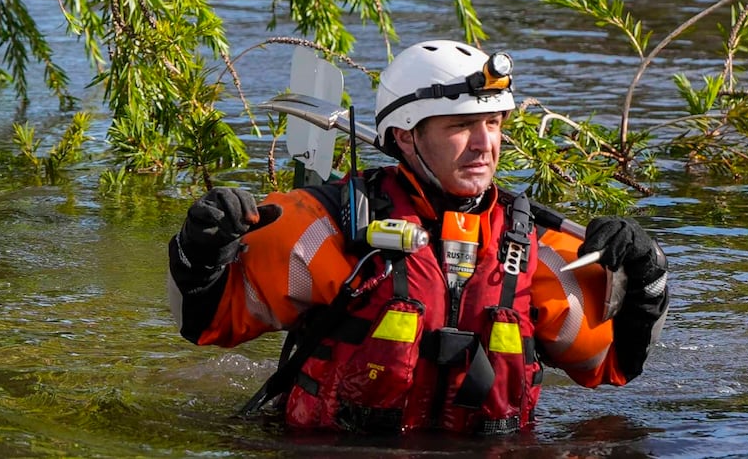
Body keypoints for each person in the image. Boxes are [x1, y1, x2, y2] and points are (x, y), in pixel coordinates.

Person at [167, 39, 668, 435]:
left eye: (493, 123)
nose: (484, 144)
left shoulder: (536, 247)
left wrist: (647, 280)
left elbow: (612, 366)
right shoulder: (325, 226)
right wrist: (203, 251)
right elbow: (204, 324)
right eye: (461, 126)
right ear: (406, 136)